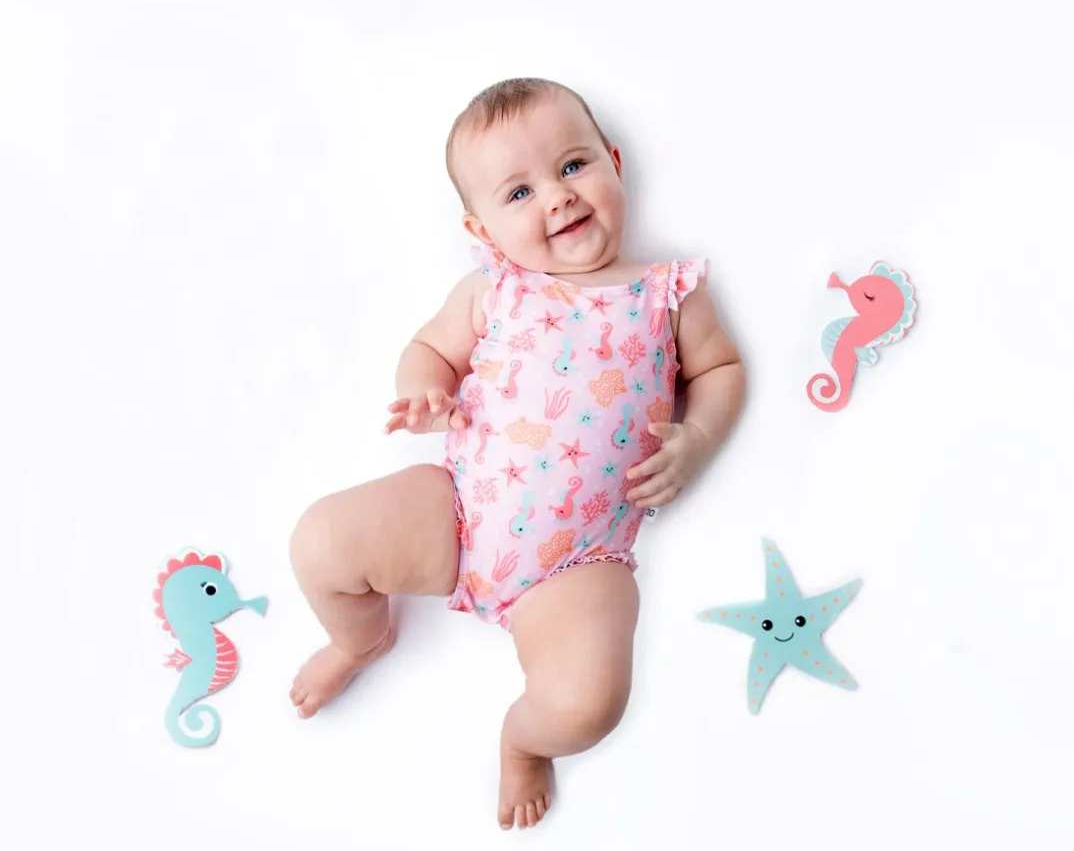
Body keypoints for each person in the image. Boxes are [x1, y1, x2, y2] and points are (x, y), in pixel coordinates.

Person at [289, 77, 746, 830]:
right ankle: (359, 640)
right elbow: (430, 349)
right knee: (321, 540)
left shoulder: (667, 293)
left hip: (581, 561)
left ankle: (525, 741)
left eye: (573, 166)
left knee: (589, 705)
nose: (558, 197)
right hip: (458, 510)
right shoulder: (494, 288)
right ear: (483, 229)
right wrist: (423, 389)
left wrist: (696, 440)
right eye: (520, 192)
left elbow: (721, 370)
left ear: (614, 162)